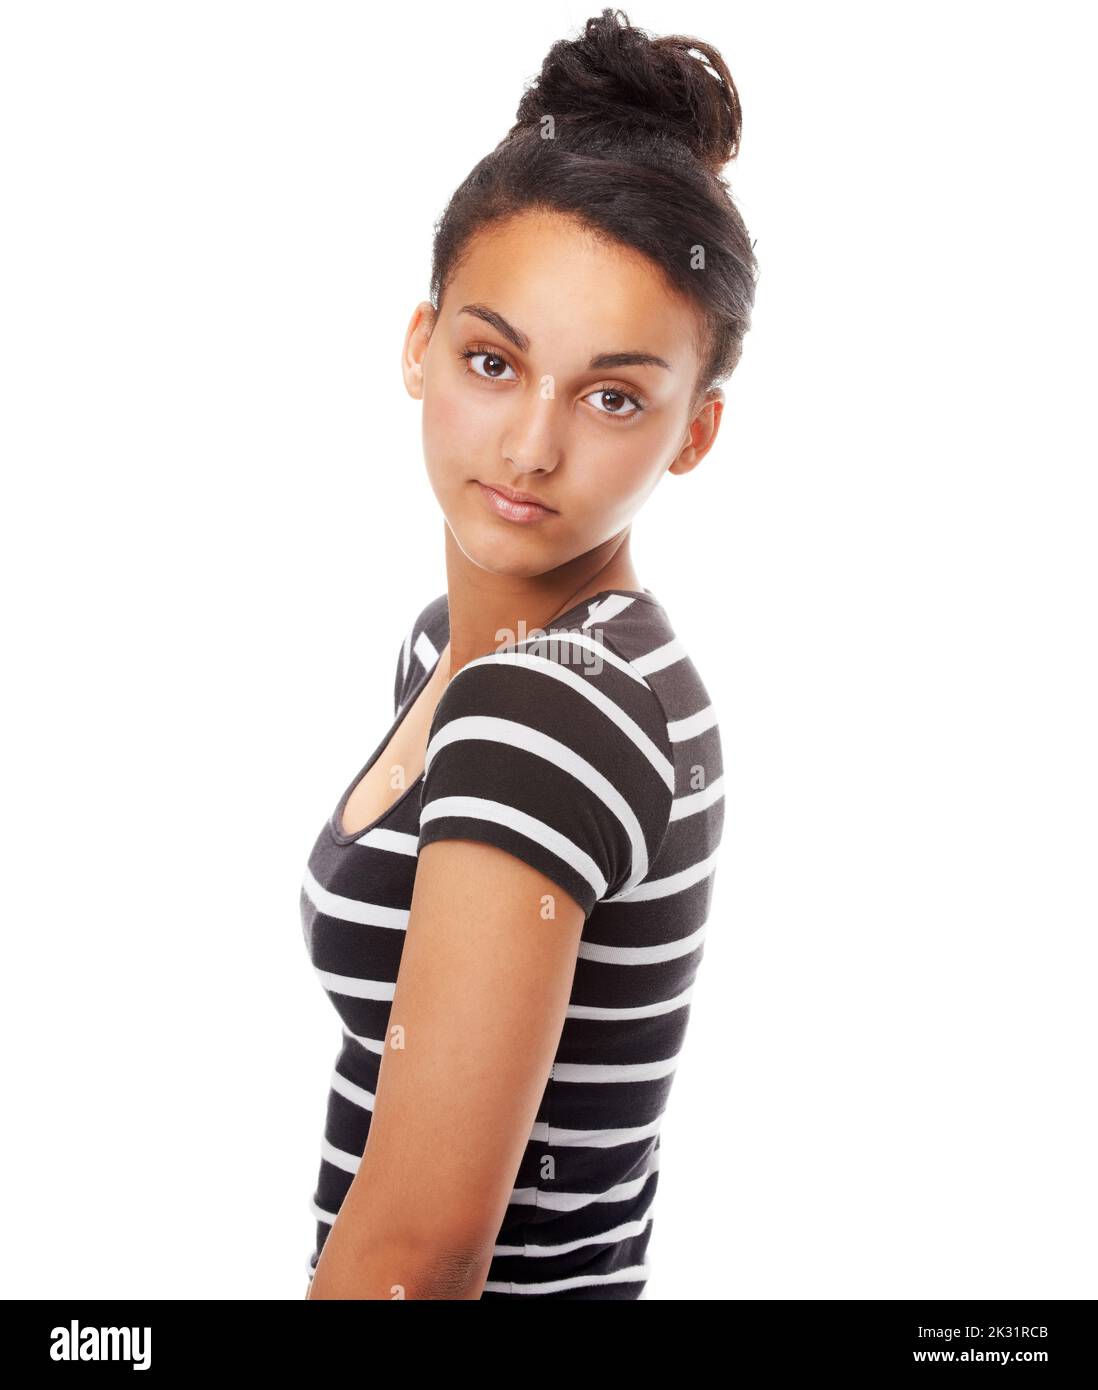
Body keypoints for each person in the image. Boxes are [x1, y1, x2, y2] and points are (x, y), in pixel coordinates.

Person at [301, 6, 756, 1299]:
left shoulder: (546, 710)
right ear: (417, 342)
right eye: (492, 360)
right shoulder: (458, 650)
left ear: (694, 432)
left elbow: (419, 1257)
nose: (529, 446)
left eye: (613, 395)